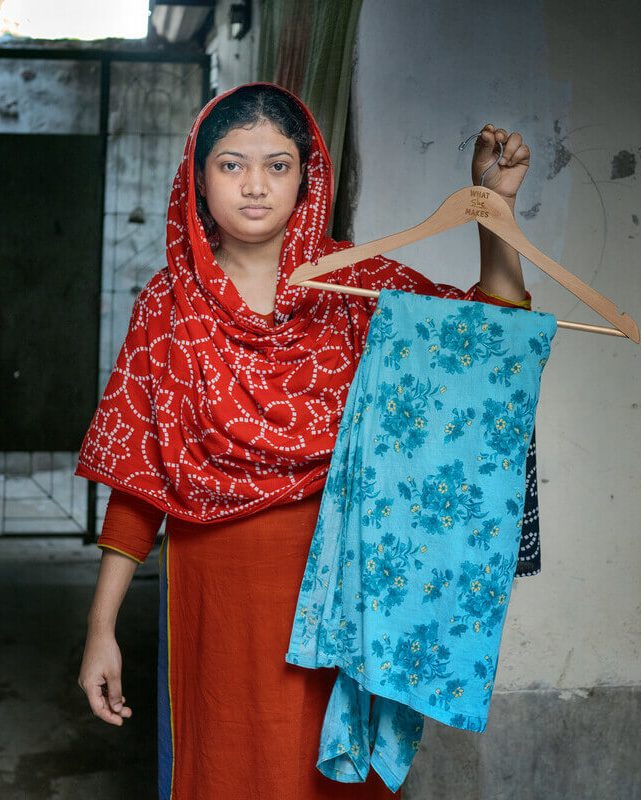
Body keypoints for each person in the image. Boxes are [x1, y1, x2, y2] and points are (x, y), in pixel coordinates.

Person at [76, 82, 532, 799]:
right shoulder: (167, 306)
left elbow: (487, 340)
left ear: (306, 177)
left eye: (277, 165)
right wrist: (102, 628)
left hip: (345, 587)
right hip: (215, 594)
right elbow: (139, 484)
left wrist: (493, 210)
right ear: (198, 177)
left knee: (331, 776)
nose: (255, 186)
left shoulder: (357, 290)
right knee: (226, 766)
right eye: (231, 165)